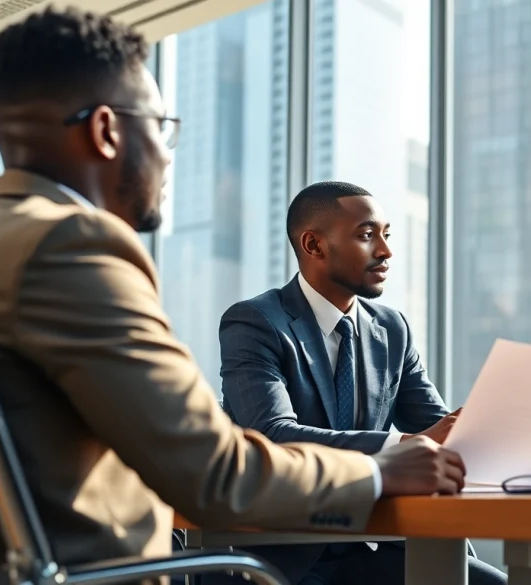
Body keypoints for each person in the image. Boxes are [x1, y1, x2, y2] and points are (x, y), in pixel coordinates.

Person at [0, 5, 467, 574]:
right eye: (163, 128)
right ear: (106, 131)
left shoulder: (14, 235)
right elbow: (213, 472)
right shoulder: (72, 245)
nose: (169, 156)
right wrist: (381, 467)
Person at [215, 181, 506, 585]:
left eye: (386, 235)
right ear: (313, 245)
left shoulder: (391, 329)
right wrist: (401, 447)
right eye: (367, 235)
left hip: (380, 543)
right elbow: (271, 434)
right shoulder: (255, 323)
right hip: (288, 555)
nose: (385, 251)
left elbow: (438, 429)